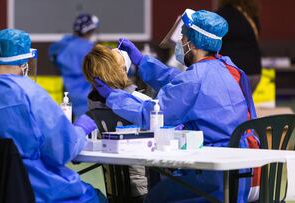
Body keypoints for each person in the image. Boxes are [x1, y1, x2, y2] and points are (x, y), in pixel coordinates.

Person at [94, 9, 258, 202]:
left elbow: (151, 115)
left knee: (156, 197)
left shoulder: (194, 79)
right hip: (244, 170)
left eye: (183, 37)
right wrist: (142, 62)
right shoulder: (227, 67)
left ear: (192, 43)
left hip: (216, 176)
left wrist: (113, 97)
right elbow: (175, 81)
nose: (180, 41)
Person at [0, 28, 107, 203]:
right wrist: (80, 130)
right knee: (95, 196)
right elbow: (61, 151)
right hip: (30, 191)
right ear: (24, 62)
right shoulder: (29, 93)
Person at [83, 44, 151, 202]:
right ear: (121, 71)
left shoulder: (93, 102)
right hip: (144, 189)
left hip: (112, 187)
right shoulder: (142, 102)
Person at [49, 13, 99, 120]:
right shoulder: (88, 49)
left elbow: (53, 57)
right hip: (84, 96)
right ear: (90, 31)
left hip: (66, 91)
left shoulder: (62, 44)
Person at [217, 0, 262, 92]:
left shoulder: (222, 15)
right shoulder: (250, 15)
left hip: (233, 73)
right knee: (243, 103)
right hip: (255, 72)